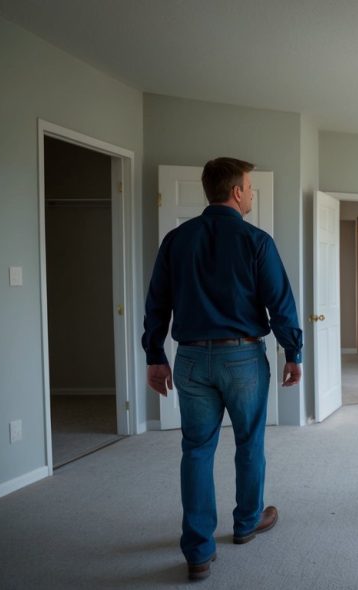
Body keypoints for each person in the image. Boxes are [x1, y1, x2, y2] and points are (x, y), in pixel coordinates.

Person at [142, 157, 303, 580]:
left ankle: (198, 550)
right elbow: (280, 304)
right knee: (249, 442)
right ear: (235, 192)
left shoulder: (177, 239)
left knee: (196, 449)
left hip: (191, 358)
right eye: (249, 187)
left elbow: (156, 304)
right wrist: (293, 352)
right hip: (243, 358)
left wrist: (154, 356)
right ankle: (247, 522)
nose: (250, 194)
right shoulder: (257, 241)